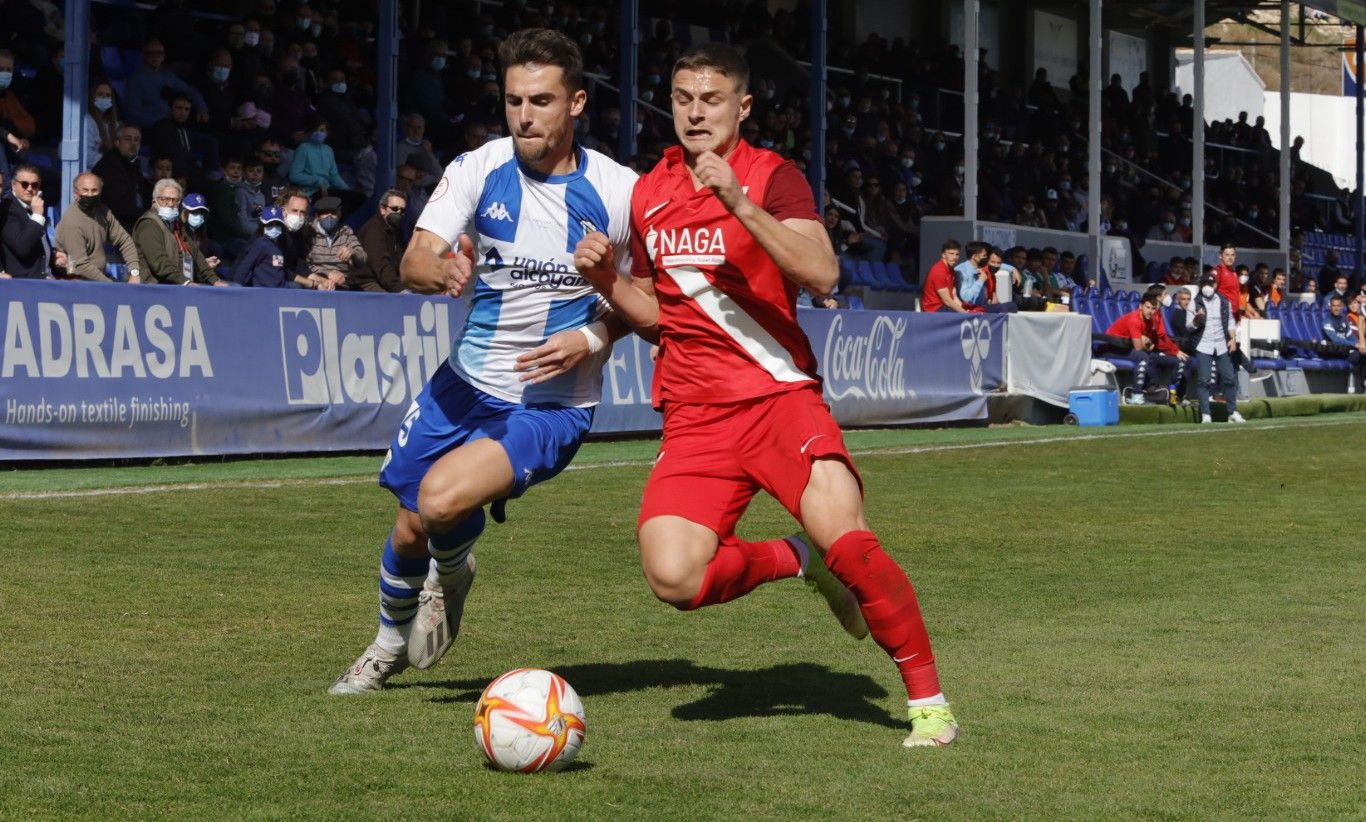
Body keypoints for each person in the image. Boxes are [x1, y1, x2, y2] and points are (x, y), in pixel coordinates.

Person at [572, 42, 958, 748]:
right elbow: (662, 313)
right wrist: (607, 285)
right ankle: (795, 559)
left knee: (852, 544)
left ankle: (929, 702)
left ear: (742, 107)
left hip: (779, 399)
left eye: (711, 99)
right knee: (674, 578)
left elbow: (821, 271)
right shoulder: (647, 193)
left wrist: (738, 202)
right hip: (695, 415)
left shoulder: (771, 177)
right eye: (683, 97)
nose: (695, 111)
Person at [327, 28, 639, 695]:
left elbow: (651, 302)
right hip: (463, 385)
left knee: (440, 501)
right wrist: (437, 270)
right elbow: (415, 255)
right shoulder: (479, 168)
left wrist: (590, 339)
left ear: (576, 103)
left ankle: (456, 569)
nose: (525, 115)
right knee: (411, 524)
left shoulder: (618, 193)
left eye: (542, 100)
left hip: (551, 404)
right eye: (514, 100)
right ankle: (386, 645)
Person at [1101, 287, 1189, 404]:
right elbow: (1138, 347)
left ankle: (1173, 396)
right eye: (1147, 307)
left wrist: (1152, 344)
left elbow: (1152, 343)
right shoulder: (1134, 320)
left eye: (1153, 308)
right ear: (1140, 306)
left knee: (1179, 362)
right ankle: (1136, 395)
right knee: (1143, 356)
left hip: (1130, 347)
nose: (1150, 311)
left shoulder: (1152, 319)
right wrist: (1147, 343)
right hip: (1113, 348)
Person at [133, 178, 227, 286]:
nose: (170, 204)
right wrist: (186, 282)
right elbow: (159, 262)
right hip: (152, 287)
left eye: (175, 200)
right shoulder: (149, 224)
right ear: (154, 202)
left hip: (175, 285)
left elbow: (196, 254)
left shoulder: (176, 224)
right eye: (165, 199)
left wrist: (215, 280)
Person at [54, 172, 144, 282]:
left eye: (94, 190)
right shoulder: (71, 223)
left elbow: (124, 241)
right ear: (75, 194)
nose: (90, 195)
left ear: (100, 192)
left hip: (100, 277)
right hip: (78, 282)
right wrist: (109, 284)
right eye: (85, 190)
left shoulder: (103, 212)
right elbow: (81, 265)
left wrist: (134, 272)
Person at [1192, 274, 1246, 424]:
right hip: (1203, 344)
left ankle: (1232, 412)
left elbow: (1230, 321)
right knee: (1204, 380)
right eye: (1204, 284)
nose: (1207, 287)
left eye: (1210, 284)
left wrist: (1233, 339)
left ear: (1215, 285)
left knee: (1229, 378)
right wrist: (1196, 319)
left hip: (1221, 344)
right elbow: (1188, 326)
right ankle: (1206, 414)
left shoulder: (1224, 301)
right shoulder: (1195, 302)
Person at [0, 163, 57, 279]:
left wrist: (54, 257)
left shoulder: (35, 206)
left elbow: (39, 245)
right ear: (13, 184)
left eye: (34, 185)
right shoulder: (6, 208)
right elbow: (22, 247)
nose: (30, 189)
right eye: (24, 184)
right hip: (24, 283)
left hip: (46, 278)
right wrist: (37, 216)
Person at [93, 125, 153, 234]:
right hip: (112, 225)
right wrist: (149, 214)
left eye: (136, 140)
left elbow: (143, 191)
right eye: (128, 139)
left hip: (131, 220)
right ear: (117, 142)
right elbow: (120, 208)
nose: (133, 144)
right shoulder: (110, 165)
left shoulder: (133, 162)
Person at [353, 189, 406, 292]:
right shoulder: (373, 230)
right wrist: (400, 289)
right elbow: (381, 266)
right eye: (394, 209)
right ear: (382, 209)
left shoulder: (396, 231)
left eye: (402, 210)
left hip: (386, 281)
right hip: (367, 283)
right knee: (392, 303)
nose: (398, 213)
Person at [306, 195, 364, 288]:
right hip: (316, 284)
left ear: (339, 214)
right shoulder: (308, 232)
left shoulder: (346, 231)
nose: (329, 217)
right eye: (325, 213)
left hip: (343, 284)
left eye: (333, 213)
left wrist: (353, 253)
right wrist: (327, 274)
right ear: (317, 215)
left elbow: (362, 259)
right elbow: (303, 264)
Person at [229, 205, 294, 287]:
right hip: (264, 292)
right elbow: (245, 266)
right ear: (263, 225)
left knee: (296, 286)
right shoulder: (260, 244)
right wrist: (236, 287)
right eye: (270, 224)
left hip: (280, 290)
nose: (274, 227)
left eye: (277, 224)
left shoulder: (278, 245)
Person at [1320, 294, 1366, 392]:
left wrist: (1361, 345)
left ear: (1341, 307)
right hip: (1335, 352)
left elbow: (1351, 337)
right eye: (1334, 306)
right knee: (1361, 355)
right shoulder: (1326, 321)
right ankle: (1364, 385)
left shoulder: (1344, 320)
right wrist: (1355, 345)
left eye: (1338, 306)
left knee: (1363, 353)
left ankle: (1364, 385)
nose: (1336, 308)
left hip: (1346, 351)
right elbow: (1335, 339)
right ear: (1330, 307)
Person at [922, 238, 969, 313]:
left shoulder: (952, 271)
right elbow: (947, 300)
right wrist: (964, 313)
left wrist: (966, 310)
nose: (954, 257)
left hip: (945, 308)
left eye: (957, 254)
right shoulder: (938, 271)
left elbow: (954, 296)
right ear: (943, 255)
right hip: (933, 311)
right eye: (951, 253)